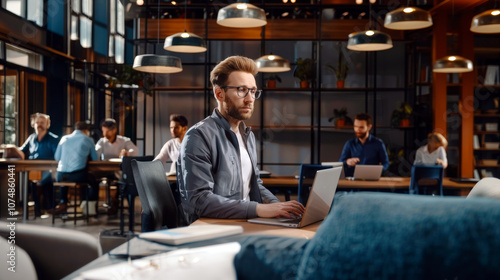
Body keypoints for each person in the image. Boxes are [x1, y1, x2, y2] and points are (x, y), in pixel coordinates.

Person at [177, 55, 304, 225]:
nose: (250, 99)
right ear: (219, 94)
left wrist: (279, 207)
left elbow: (254, 184)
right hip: (213, 227)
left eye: (252, 91)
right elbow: (200, 201)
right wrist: (259, 209)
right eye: (241, 90)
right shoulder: (198, 136)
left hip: (244, 221)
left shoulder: (247, 135)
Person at [5, 113, 59, 216]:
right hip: (33, 169)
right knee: (32, 180)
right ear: (33, 124)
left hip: (49, 170)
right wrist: (10, 147)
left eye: (42, 123)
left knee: (41, 180)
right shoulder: (31, 138)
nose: (39, 125)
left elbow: (57, 157)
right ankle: (36, 209)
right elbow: (22, 151)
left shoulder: (53, 139)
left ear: (48, 124)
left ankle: (48, 207)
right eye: (37, 122)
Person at [51, 121, 98, 215]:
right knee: (94, 181)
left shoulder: (64, 138)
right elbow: (96, 158)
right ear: (86, 130)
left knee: (64, 180)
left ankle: (63, 202)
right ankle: (87, 206)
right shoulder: (88, 139)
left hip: (59, 175)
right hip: (78, 175)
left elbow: (57, 157)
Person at [339, 113, 390, 177]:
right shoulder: (349, 144)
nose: (357, 129)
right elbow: (340, 163)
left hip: (372, 179)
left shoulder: (378, 143)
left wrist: (379, 171)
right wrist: (347, 162)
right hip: (353, 182)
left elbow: (386, 163)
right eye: (355, 126)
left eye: (361, 127)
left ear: (369, 127)